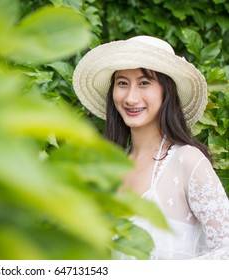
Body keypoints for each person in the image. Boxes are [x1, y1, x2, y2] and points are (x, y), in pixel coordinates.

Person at [72, 35, 229, 260]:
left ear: (167, 92)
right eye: (122, 83)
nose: (130, 97)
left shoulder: (187, 161)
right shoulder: (107, 169)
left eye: (144, 83)